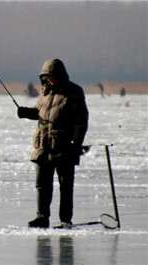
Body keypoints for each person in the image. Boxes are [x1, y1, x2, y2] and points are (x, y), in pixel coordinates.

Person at [17, 58, 89, 228]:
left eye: (53, 77)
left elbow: (81, 121)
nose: (50, 80)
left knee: (65, 186)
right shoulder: (45, 91)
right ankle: (42, 217)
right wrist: (26, 112)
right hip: (43, 145)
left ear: (61, 76)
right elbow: (40, 112)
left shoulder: (74, 92)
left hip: (64, 147)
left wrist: (76, 145)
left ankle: (65, 219)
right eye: (47, 77)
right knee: (42, 184)